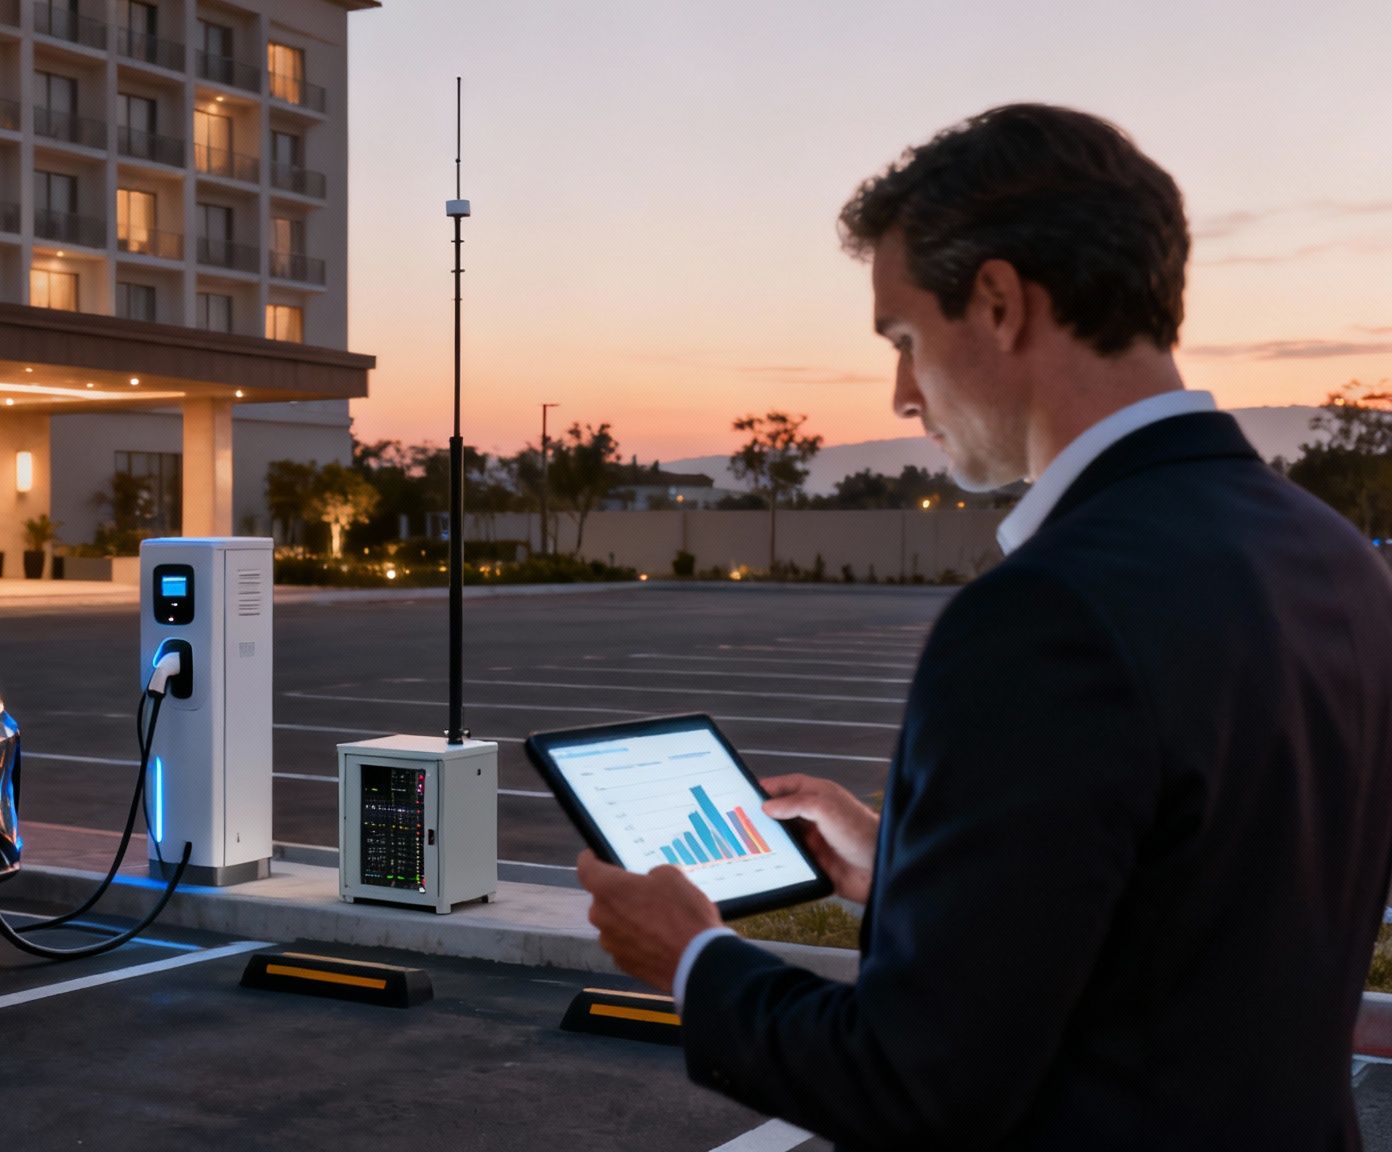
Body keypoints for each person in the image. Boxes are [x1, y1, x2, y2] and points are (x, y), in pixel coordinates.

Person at [578, 104, 1392, 1150]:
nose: (900, 392)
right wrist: (908, 871)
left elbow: (913, 1084)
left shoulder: (1047, 612)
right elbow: (1196, 916)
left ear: (1000, 303)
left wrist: (692, 959)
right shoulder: (1332, 555)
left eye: (905, 339)